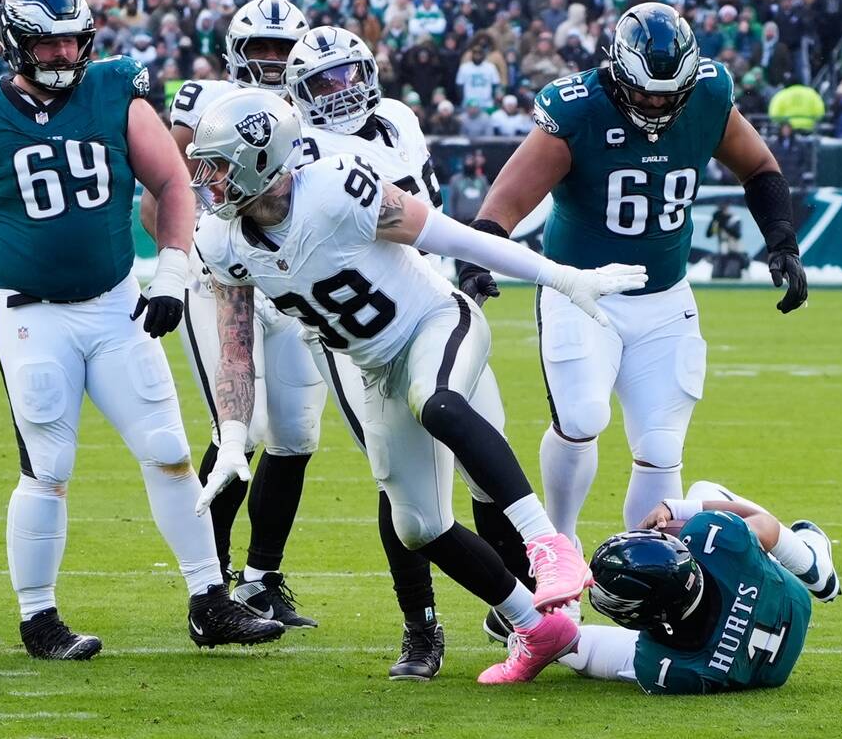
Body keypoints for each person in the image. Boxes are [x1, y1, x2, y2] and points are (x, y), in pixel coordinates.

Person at [187, 88, 645, 683]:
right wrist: (229, 438)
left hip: (434, 321)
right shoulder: (221, 241)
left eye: (219, 166)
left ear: (259, 160)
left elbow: (453, 237)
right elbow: (234, 350)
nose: (210, 180)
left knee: (438, 403)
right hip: (374, 366)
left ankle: (547, 547)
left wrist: (559, 277)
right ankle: (534, 625)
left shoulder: (334, 190)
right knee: (419, 524)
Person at [0, 0, 282, 659]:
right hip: (33, 315)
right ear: (13, 44)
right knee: (49, 465)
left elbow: (174, 182)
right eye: (47, 41)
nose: (62, 53)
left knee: (170, 450)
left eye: (71, 39)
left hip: (119, 305)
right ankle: (39, 618)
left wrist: (172, 276)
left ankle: (210, 601)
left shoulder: (115, 87)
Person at [461, 3, 808, 577]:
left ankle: (643, 569)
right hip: (583, 292)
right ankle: (558, 552)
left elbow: (760, 168)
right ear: (618, 71)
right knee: (582, 416)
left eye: (667, 92)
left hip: (666, 297)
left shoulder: (708, 94)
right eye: (644, 91)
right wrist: (481, 253)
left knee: (663, 445)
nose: (656, 103)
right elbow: (510, 197)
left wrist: (782, 241)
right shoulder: (577, 109)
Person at [285, 25, 523, 680]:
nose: (343, 91)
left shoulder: (396, 119)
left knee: (487, 454)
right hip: (358, 333)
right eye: (326, 82)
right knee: (406, 488)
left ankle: (514, 605)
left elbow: (428, 214)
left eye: (350, 75)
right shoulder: (298, 145)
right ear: (301, 92)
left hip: (429, 302)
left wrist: (467, 268)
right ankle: (420, 626)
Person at [140, 0, 324, 632]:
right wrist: (195, 251)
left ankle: (263, 579)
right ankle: (212, 586)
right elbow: (160, 191)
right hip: (220, 279)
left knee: (298, 435)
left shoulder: (318, 102)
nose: (272, 61)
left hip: (294, 285)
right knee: (240, 425)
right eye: (261, 48)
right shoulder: (202, 100)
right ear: (236, 52)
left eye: (282, 48)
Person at [555, 481, 838, 693]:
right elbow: (768, 525)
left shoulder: (659, 666)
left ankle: (536, 633)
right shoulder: (714, 540)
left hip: (769, 674)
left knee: (587, 648)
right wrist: (676, 509)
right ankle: (811, 565)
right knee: (702, 492)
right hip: (794, 603)